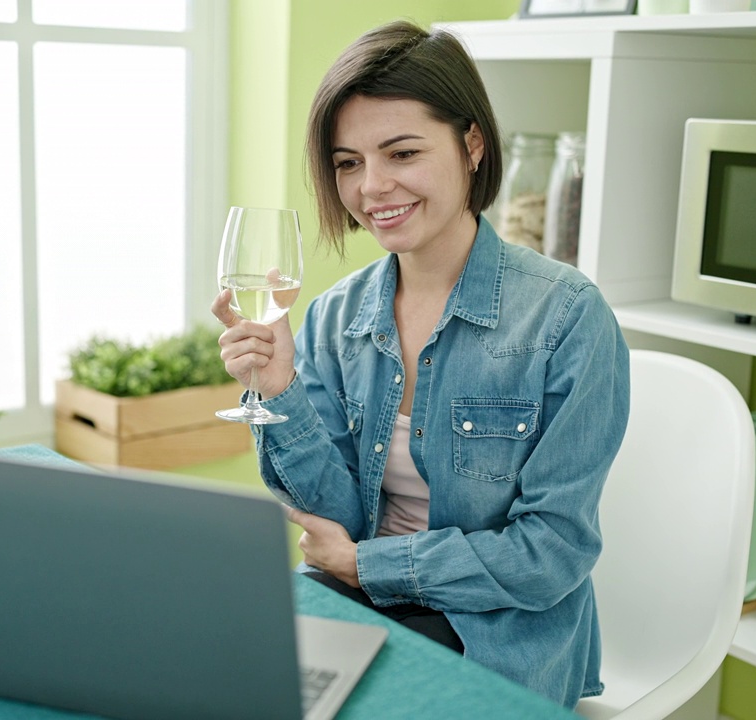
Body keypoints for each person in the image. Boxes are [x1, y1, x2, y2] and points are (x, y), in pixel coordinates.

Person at [211, 20, 629, 709]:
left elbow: (552, 555)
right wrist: (279, 390)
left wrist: (366, 563)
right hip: (365, 600)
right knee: (223, 672)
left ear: (472, 145)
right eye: (347, 163)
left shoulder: (567, 318)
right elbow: (337, 515)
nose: (372, 187)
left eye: (401, 152)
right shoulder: (337, 316)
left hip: (499, 638)